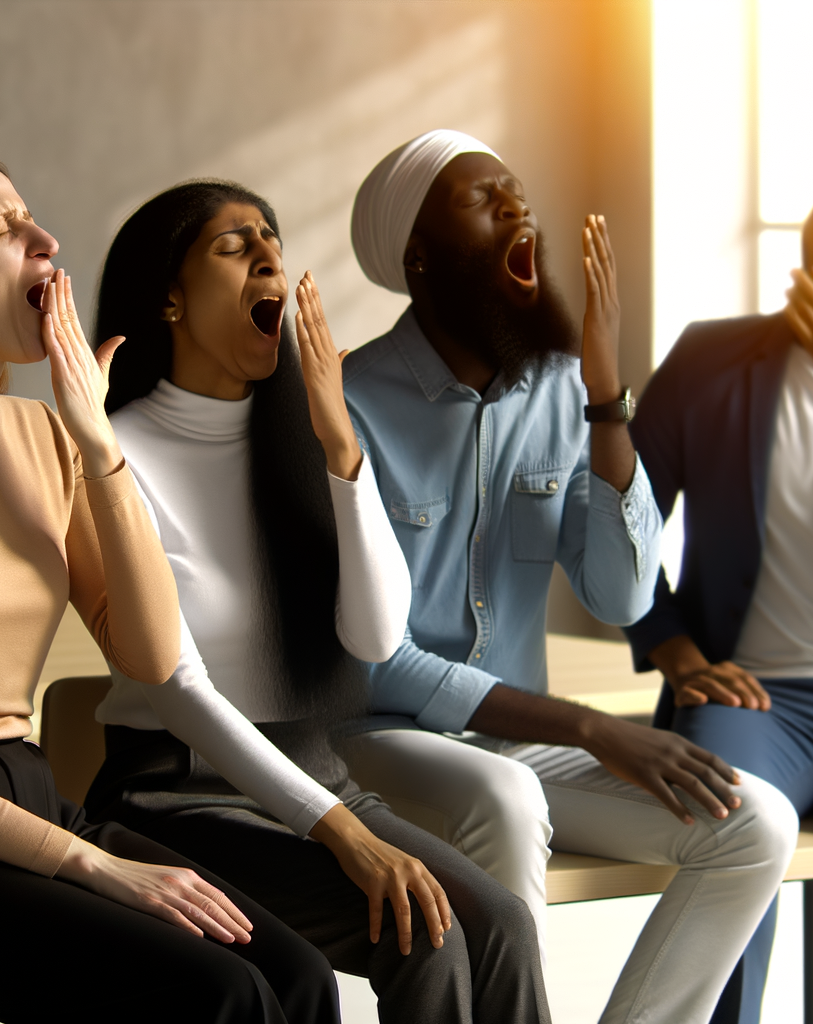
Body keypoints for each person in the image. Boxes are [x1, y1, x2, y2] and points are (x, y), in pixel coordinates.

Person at [340, 129, 800, 1024]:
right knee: (507, 796)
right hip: (377, 743)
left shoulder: (563, 390)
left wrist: (604, 397)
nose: (515, 204)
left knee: (756, 825)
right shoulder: (349, 401)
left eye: (515, 190)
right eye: (481, 198)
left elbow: (619, 595)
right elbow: (373, 662)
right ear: (419, 256)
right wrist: (590, 726)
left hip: (513, 747)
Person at [0, 149, 343, 1024]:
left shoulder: (45, 437)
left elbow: (152, 653)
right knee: (219, 994)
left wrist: (97, 445)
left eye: (33, 218)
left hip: (33, 798)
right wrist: (91, 863)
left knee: (297, 975)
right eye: (5, 229)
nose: (45, 241)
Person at [83, 178, 550, 1024]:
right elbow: (178, 686)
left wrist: (340, 449)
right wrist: (342, 832)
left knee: (504, 925)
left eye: (272, 240)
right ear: (170, 299)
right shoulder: (116, 454)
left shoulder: (304, 436)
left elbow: (375, 637)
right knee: (424, 933)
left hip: (316, 771)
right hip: (181, 793)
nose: (269, 256)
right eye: (234, 247)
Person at [624, 120, 813, 1024]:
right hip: (758, 704)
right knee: (730, 823)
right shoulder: (709, 358)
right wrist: (674, 650)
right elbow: (611, 527)